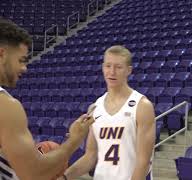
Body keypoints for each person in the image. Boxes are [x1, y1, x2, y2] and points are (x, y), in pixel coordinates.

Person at [0, 18, 95, 180]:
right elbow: (34, 174)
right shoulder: (6, 106)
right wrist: (74, 140)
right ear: (2, 53)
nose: (24, 68)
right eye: (21, 60)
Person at [60, 45, 156, 180]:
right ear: (102, 67)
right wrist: (64, 177)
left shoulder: (142, 106)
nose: (112, 72)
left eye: (118, 67)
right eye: (108, 66)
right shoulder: (95, 107)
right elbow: (90, 156)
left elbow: (143, 161)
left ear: (129, 70)